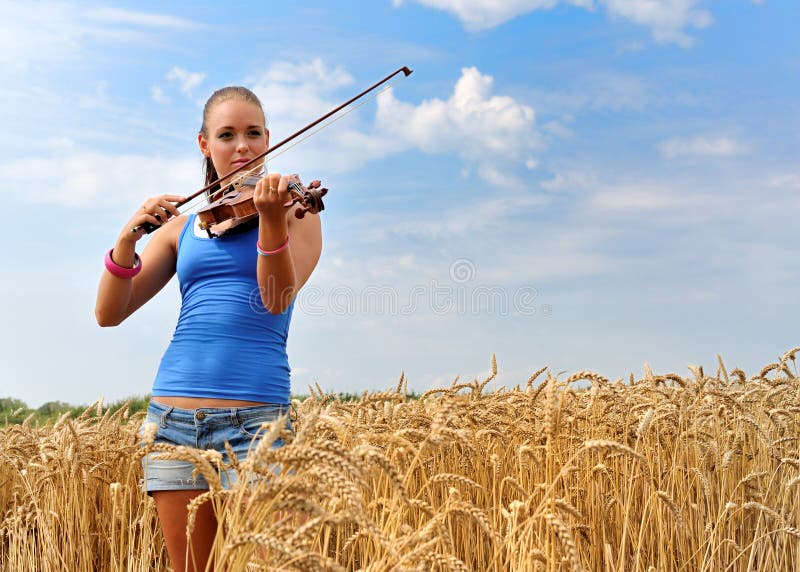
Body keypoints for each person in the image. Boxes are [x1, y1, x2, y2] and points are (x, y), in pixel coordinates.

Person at [95, 86, 322, 572]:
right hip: (172, 423)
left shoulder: (296, 213)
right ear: (205, 144)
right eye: (227, 134)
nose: (242, 146)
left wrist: (270, 223)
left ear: (269, 141)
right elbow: (109, 313)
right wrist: (126, 240)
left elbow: (275, 298)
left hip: (257, 425)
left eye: (253, 133)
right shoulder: (183, 228)